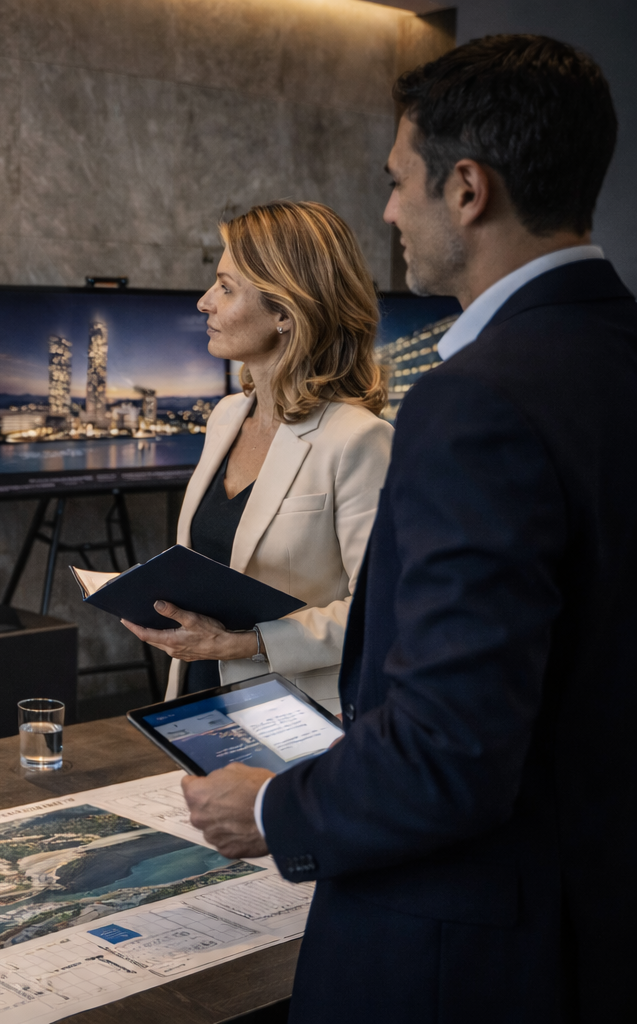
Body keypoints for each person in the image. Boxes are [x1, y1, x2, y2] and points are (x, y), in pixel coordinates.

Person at [182, 35, 632, 1021]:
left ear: (467, 188)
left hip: (466, 953)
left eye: (396, 182)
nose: (385, 212)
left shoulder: (476, 404)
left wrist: (268, 808)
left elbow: (450, 748)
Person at [121, 201, 392, 714]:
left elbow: (380, 611)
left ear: (286, 312)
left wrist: (247, 644)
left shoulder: (358, 440)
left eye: (225, 287)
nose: (204, 302)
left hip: (299, 716)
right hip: (198, 698)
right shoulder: (224, 417)